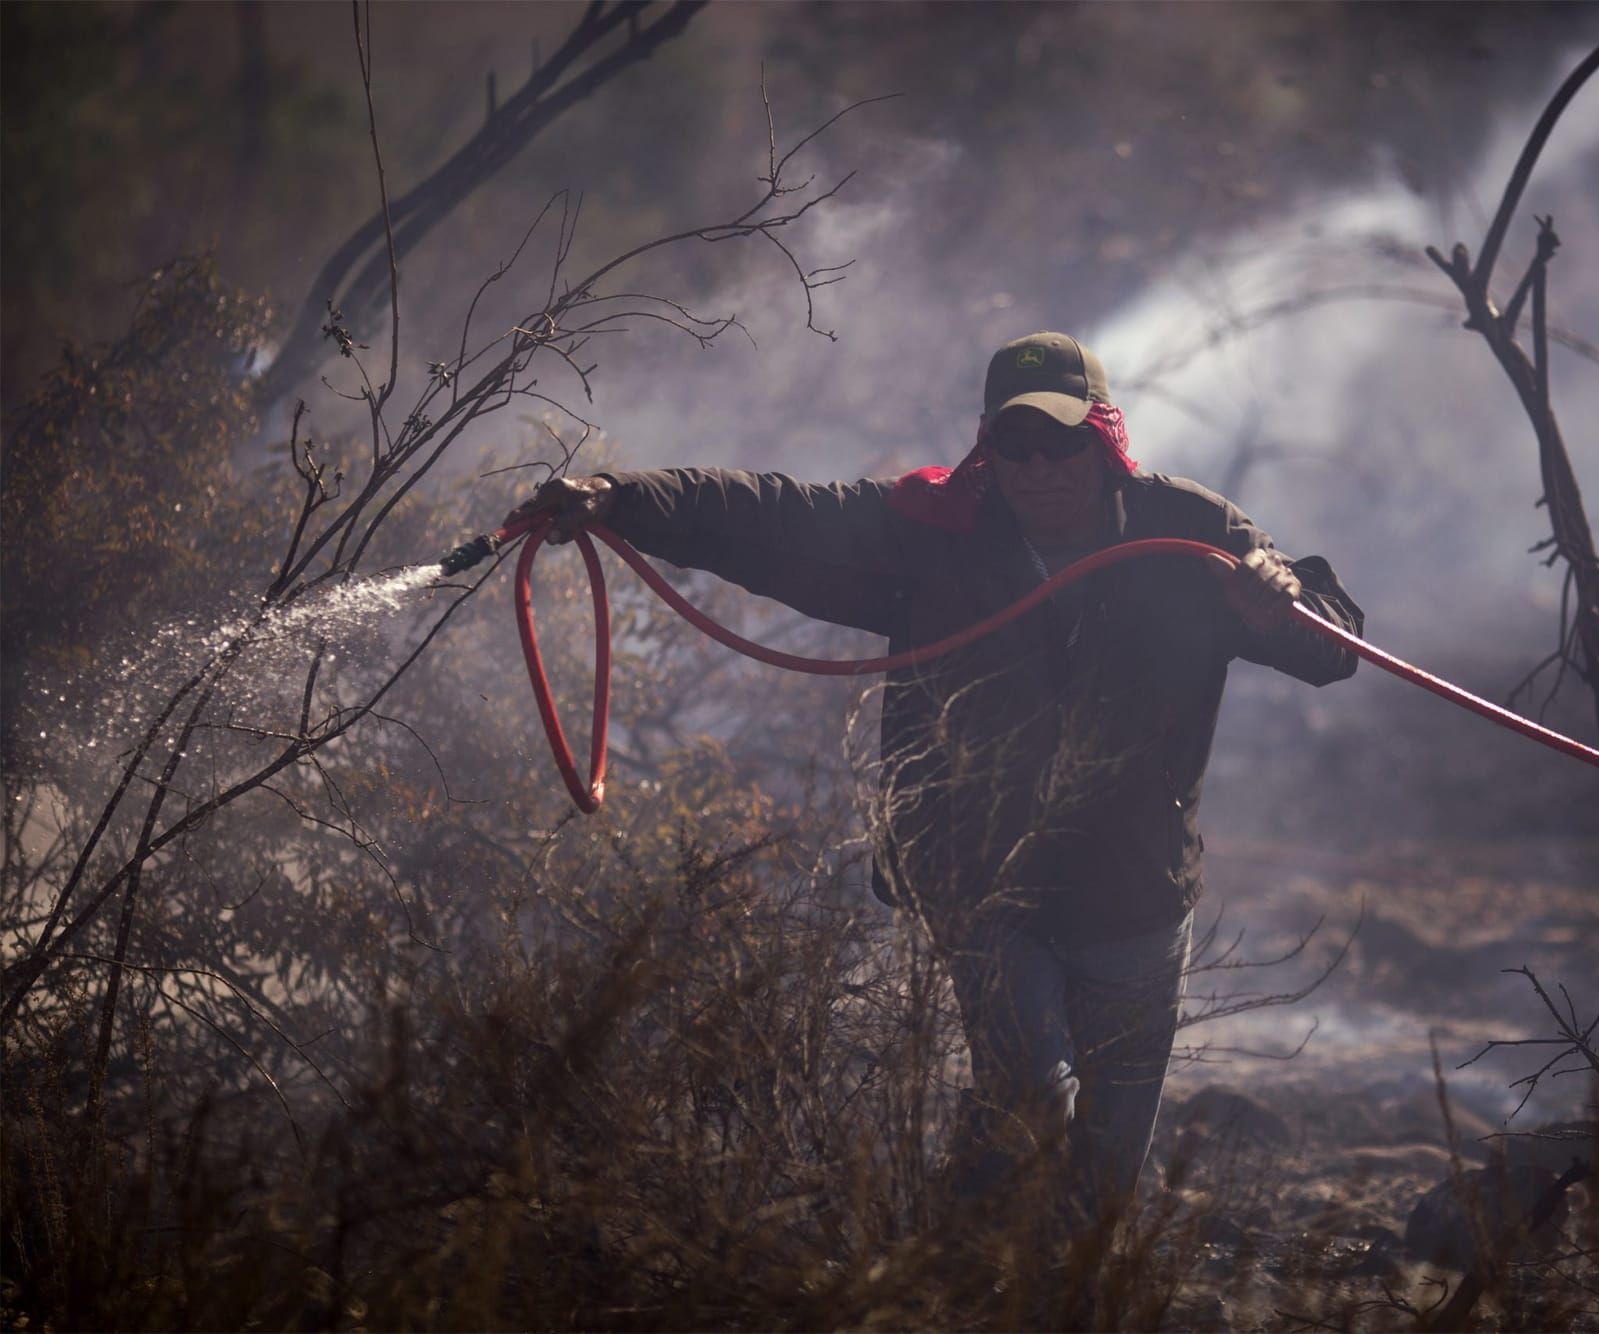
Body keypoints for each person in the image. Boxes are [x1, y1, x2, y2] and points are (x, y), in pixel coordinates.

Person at [508, 331, 1363, 1230]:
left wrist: (1282, 607)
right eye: (1015, 446)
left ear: (1104, 439)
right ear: (989, 448)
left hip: (1136, 892)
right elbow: (770, 516)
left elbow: (1333, 644)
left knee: (1107, 1174)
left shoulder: (1190, 535)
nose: (1037, 468)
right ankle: (956, 1266)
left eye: (1060, 442)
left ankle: (1042, 1277)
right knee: (1029, 1095)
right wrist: (619, 499)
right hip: (981, 880)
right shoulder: (932, 531)